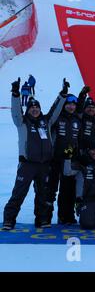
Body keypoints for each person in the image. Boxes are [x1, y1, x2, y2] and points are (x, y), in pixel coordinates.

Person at [2, 78, 68, 230]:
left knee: (43, 195)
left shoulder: (46, 121)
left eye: (37, 107)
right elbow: (16, 111)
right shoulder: (22, 122)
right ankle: (9, 220)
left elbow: (55, 110)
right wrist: (15, 94)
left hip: (44, 165)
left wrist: (63, 95)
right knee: (19, 193)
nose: (34, 110)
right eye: (32, 108)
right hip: (27, 165)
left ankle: (42, 219)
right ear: (28, 110)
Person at [46, 93, 81, 224]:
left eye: (73, 104)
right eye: (69, 104)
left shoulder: (77, 120)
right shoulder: (57, 118)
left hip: (70, 160)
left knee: (68, 190)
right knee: (50, 189)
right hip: (55, 159)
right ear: (64, 105)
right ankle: (45, 217)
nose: (71, 107)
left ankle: (66, 216)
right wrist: (61, 97)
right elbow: (51, 113)